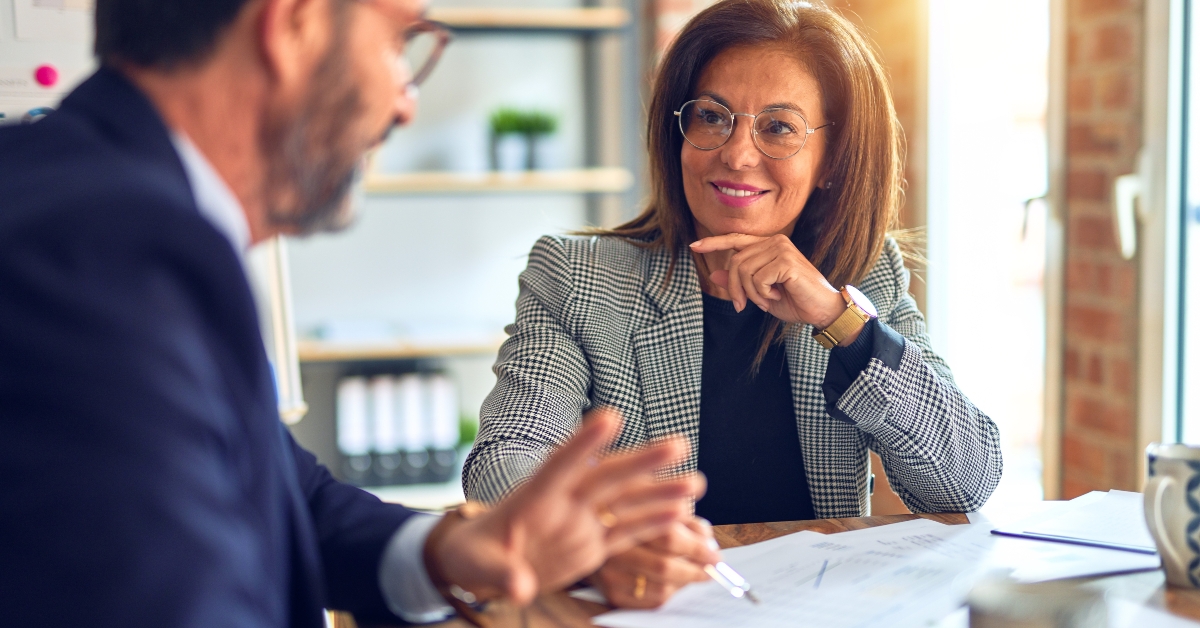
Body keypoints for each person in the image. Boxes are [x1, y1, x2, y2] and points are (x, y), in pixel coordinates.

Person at [0, 0, 715, 626]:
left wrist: (452, 550)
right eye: (398, 42)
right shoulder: (104, 250)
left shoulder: (100, 205)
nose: (406, 104)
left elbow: (281, 495)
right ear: (295, 26)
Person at [463, 0, 1004, 609]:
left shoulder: (863, 274)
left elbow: (965, 480)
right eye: (712, 117)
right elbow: (504, 461)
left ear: (831, 161)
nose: (738, 154)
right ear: (679, 133)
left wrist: (840, 321)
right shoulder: (576, 276)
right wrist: (602, 539)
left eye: (778, 128)